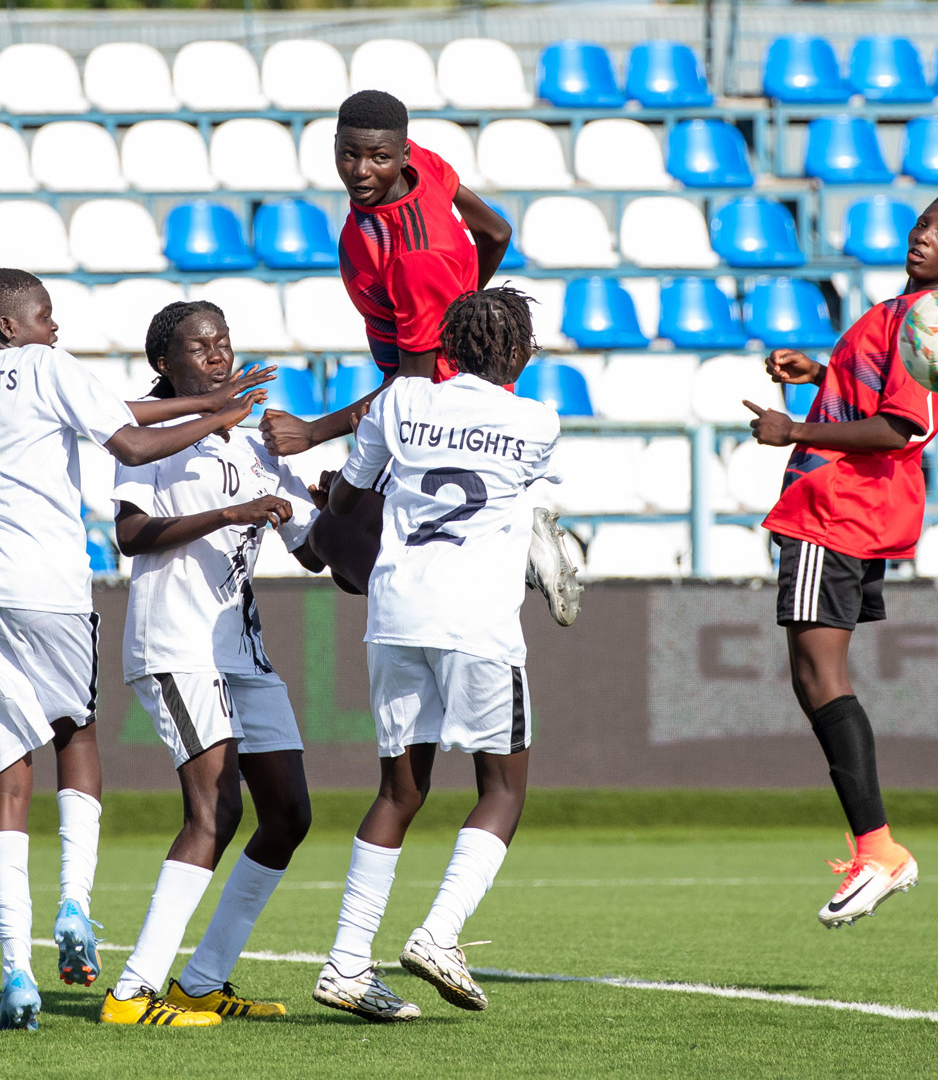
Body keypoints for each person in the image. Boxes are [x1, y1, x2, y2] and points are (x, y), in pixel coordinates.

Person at [0, 268, 271, 1031]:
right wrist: (220, 413)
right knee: (75, 733)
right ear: (7, 327)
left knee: (4, 770)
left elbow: (115, 409)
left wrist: (210, 400)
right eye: (44, 316)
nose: (54, 329)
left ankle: (14, 969)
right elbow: (127, 437)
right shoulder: (45, 364)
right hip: (44, 582)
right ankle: (75, 903)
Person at [741, 192, 938, 929]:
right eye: (921, 225)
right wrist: (818, 372)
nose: (923, 238)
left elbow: (897, 426)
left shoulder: (930, 322)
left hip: (840, 506)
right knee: (813, 675)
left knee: (820, 676)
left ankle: (877, 850)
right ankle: (874, 847)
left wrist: (795, 429)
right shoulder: (897, 311)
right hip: (845, 506)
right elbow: (871, 396)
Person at [311, 286, 558, 1022]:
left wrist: (334, 502)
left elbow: (350, 501)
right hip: (477, 620)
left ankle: (347, 965)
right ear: (517, 353)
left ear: (445, 346)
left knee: (399, 791)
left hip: (395, 611)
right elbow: (536, 509)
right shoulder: (537, 420)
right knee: (502, 789)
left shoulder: (401, 401)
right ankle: (439, 936)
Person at [259, 89, 582, 626]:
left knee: (337, 544)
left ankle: (502, 559)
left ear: (401, 154)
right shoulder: (424, 167)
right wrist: (462, 315)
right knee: (333, 542)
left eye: (378, 158)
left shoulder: (413, 257)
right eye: (349, 154)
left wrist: (312, 433)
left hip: (436, 398)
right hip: (441, 379)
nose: (361, 170)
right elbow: (496, 231)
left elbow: (414, 386)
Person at [100, 301, 320, 1027]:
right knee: (215, 809)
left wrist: (346, 496)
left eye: (223, 342)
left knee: (287, 813)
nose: (218, 355)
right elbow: (131, 534)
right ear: (163, 362)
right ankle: (132, 994)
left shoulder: (253, 441)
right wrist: (229, 514)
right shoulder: (149, 435)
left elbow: (316, 553)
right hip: (177, 645)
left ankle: (203, 981)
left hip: (242, 652)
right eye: (199, 346)